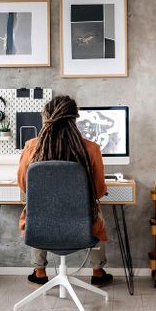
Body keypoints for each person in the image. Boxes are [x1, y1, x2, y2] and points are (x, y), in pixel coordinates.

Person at [17, 95, 113, 287]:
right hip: (81, 227)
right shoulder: (91, 148)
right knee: (95, 212)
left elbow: (24, 185)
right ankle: (97, 272)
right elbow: (99, 191)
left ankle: (39, 272)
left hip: (42, 226)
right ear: (74, 118)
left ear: (46, 117)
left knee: (35, 208)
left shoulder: (32, 147)